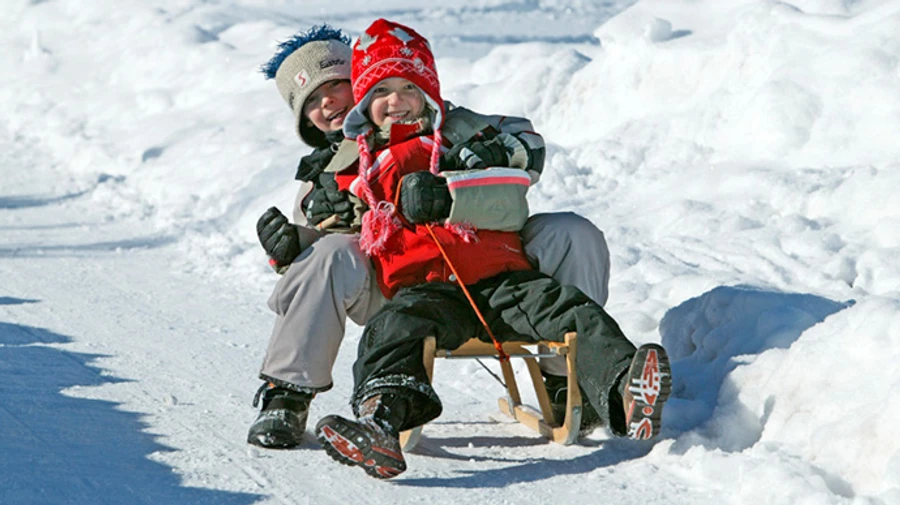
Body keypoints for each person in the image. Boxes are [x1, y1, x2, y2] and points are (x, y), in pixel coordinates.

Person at [313, 18, 672, 480]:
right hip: (427, 290)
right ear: (364, 104)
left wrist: (457, 187)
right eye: (381, 92)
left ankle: (624, 391)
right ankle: (382, 419)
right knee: (394, 329)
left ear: (429, 91)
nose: (396, 101)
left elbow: (516, 175)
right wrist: (299, 232)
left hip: (505, 279)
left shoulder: (467, 138)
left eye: (409, 86)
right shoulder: (354, 166)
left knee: (574, 312)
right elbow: (328, 226)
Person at [249, 25, 613, 449]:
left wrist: (486, 158)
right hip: (398, 290)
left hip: (499, 272)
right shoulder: (323, 178)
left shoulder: (455, 124)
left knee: (571, 231)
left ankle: (570, 378)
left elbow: (528, 145)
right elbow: (316, 268)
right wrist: (292, 245)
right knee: (330, 251)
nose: (327, 102)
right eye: (310, 100)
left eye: (334, 85)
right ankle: (288, 394)